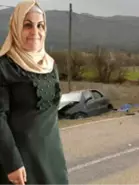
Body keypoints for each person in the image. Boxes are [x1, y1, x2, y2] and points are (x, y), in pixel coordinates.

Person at [0, 0, 69, 184]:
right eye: (27, 25)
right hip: (21, 163)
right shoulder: (4, 67)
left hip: (52, 157)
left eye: (41, 25)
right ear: (15, 27)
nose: (35, 32)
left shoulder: (50, 64)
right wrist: (12, 163)